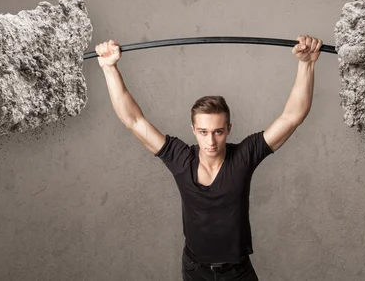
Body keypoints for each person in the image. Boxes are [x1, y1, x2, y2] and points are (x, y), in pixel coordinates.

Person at [95, 35, 322, 281]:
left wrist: (306, 64)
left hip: (237, 272)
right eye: (203, 132)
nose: (210, 141)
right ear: (193, 130)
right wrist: (109, 68)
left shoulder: (243, 156)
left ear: (229, 129)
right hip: (195, 271)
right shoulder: (180, 158)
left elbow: (292, 117)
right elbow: (133, 120)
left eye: (218, 132)